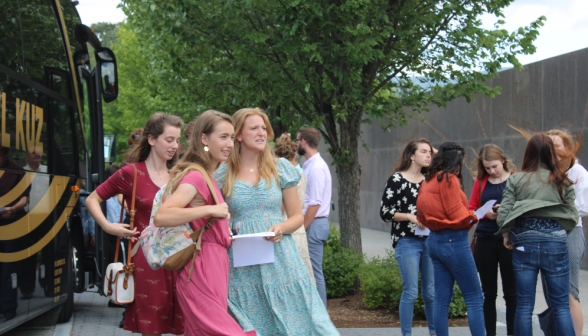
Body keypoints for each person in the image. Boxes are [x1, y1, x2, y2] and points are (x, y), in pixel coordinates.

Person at [214, 108, 338, 335]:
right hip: (241, 262)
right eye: (254, 128)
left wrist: (281, 227)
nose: (261, 132)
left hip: (280, 255)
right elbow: (213, 217)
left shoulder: (279, 167)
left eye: (264, 128)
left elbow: (297, 217)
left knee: (298, 317)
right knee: (252, 320)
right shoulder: (222, 174)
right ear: (238, 135)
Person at [154, 110, 256, 336]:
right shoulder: (197, 176)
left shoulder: (208, 175)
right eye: (223, 137)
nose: (230, 143)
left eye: (231, 137)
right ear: (204, 139)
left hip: (213, 265)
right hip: (202, 268)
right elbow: (162, 215)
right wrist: (211, 209)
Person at [85, 113, 185, 335]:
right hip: (147, 259)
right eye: (169, 140)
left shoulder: (180, 174)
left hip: (180, 257)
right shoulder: (132, 173)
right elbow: (92, 199)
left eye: (177, 141)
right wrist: (108, 226)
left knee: (184, 326)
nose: (175, 146)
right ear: (151, 139)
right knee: (152, 327)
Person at [497, 134, 578, 336]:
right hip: (556, 244)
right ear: (552, 153)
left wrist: (507, 236)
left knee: (524, 305)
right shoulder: (562, 179)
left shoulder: (516, 179)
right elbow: (573, 216)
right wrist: (558, 234)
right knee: (560, 304)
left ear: (529, 152)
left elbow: (503, 214)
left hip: (524, 245)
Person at [416, 142, 485, 336]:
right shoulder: (448, 179)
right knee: (474, 298)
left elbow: (423, 213)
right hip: (454, 242)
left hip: (435, 242)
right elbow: (456, 215)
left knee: (441, 299)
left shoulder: (428, 180)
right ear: (457, 160)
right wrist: (475, 216)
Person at [380, 138, 435, 336]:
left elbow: (449, 164)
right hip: (407, 241)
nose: (429, 155)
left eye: (430, 152)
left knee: (430, 293)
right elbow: (385, 212)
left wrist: (434, 151)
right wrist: (410, 217)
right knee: (411, 292)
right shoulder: (397, 179)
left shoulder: (431, 179)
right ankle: (406, 334)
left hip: (430, 240)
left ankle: (434, 332)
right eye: (423, 151)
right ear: (412, 156)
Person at [468, 144, 517, 336]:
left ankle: (512, 332)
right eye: (487, 168)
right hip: (486, 240)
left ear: (503, 160)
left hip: (510, 241)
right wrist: (484, 213)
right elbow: (470, 209)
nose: (491, 171)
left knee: (511, 294)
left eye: (494, 166)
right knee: (488, 294)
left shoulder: (516, 179)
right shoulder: (480, 182)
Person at [546, 129, 585, 336]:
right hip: (546, 234)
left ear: (567, 148)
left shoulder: (578, 172)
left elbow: (584, 205)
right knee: (553, 293)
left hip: (570, 232)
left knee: (569, 293)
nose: (552, 149)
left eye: (557, 145)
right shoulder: (543, 172)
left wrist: (556, 209)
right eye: (548, 145)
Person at [296, 127, 332, 307]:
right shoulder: (310, 165)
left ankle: (321, 318)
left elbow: (315, 203)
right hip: (314, 223)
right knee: (310, 270)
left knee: (314, 271)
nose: (296, 144)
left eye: (297, 140)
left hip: (314, 224)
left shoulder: (316, 167)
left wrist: (302, 228)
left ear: (303, 142)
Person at [274, 133, 315, 285]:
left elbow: (281, 208)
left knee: (288, 274)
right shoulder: (300, 173)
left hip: (285, 226)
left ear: (276, 155)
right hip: (299, 228)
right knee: (303, 273)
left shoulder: (282, 174)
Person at [0, 147, 29, 321]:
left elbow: (25, 198)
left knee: (8, 268)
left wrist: (13, 209)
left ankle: (9, 309)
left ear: (5, 154)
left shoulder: (17, 171)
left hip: (13, 223)